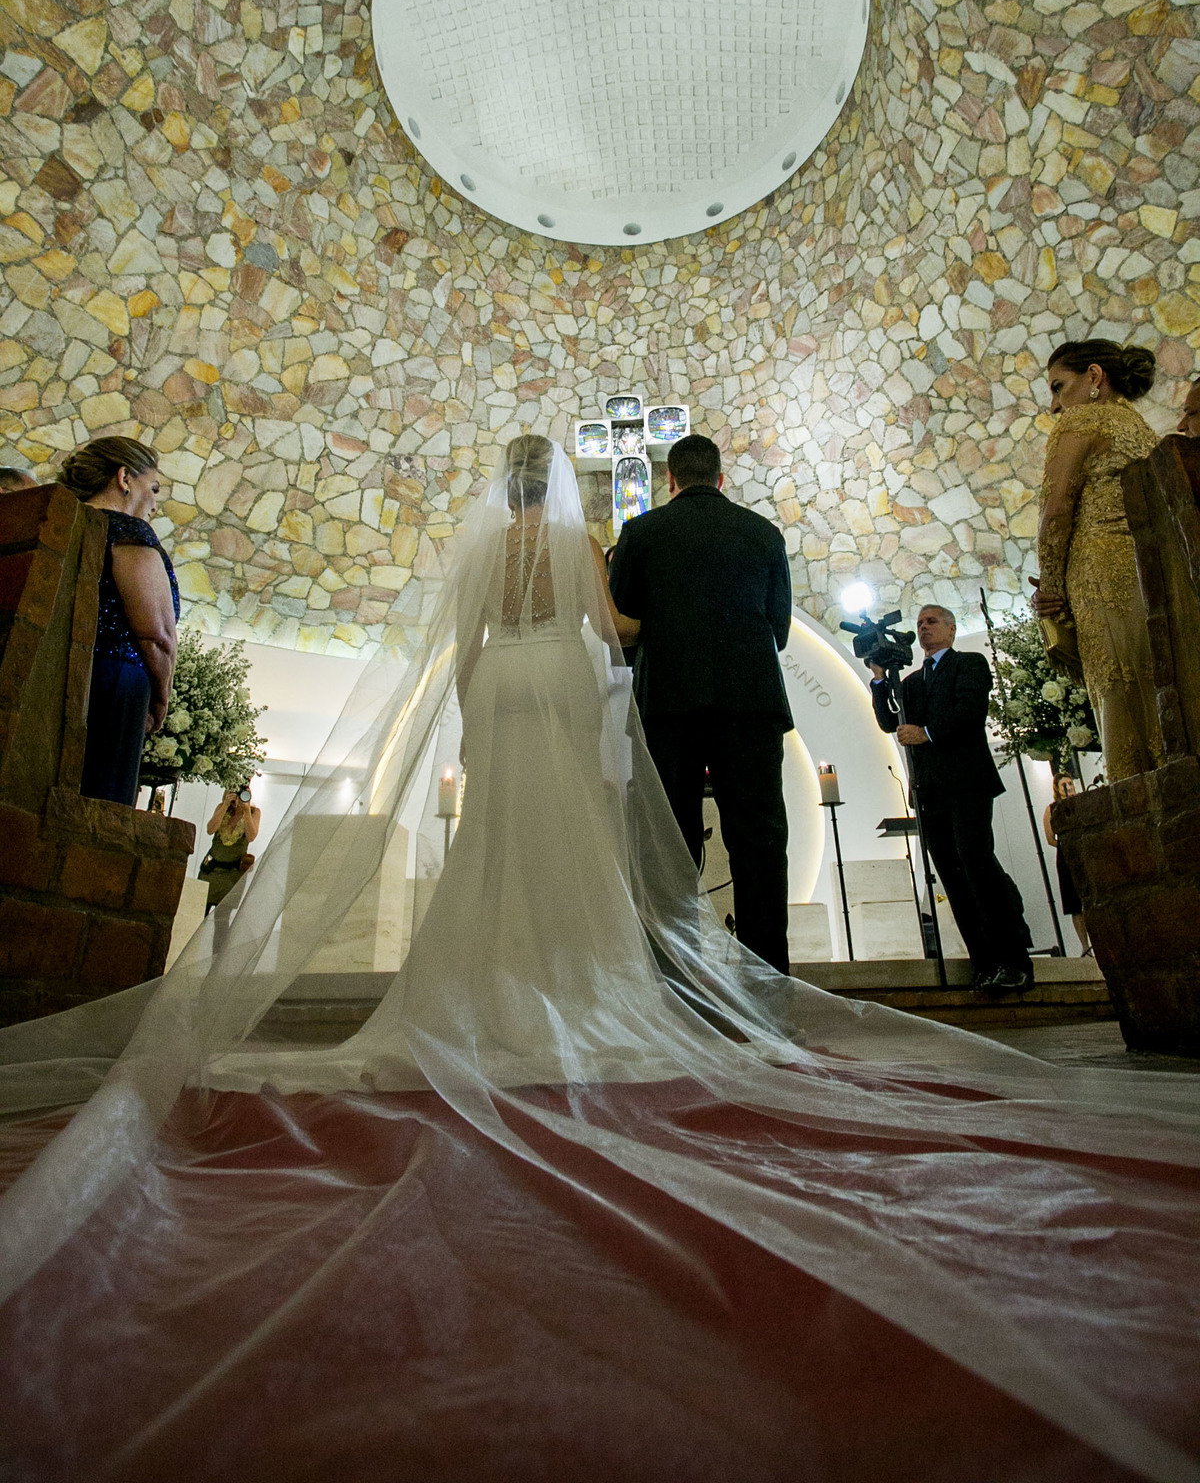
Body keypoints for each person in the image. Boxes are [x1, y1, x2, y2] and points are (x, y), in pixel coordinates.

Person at [2, 437, 1199, 1483]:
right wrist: (633, 633)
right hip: (562, 685)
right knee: (577, 841)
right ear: (559, 486)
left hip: (498, 687)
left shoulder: (485, 554)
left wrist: (483, 693)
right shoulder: (583, 546)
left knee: (497, 845)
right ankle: (585, 974)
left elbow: (467, 644)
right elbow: (609, 628)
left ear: (496, 489)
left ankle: (482, 982)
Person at [608, 433, 794, 974]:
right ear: (720, 477)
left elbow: (625, 610)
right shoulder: (763, 534)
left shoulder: (642, 532)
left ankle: (679, 977)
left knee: (670, 843)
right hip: (751, 701)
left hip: (670, 703)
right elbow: (777, 629)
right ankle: (768, 978)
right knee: (759, 838)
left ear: (670, 479)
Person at [871, 604, 1033, 991]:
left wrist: (927, 732)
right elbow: (890, 722)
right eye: (919, 623)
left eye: (931, 622)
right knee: (953, 878)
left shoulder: (970, 664)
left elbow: (969, 711)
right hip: (931, 790)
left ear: (951, 629)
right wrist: (880, 680)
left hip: (967, 782)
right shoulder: (911, 683)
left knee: (977, 863)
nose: (924, 628)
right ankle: (984, 963)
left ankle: (1014, 961)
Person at [1031, 340, 1160, 783]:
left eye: (1058, 387)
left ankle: (1135, 789)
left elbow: (1057, 510)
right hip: (1148, 572)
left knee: (1119, 693)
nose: (1054, 405)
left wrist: (1049, 589)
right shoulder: (1140, 427)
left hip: (1101, 573)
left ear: (1094, 376)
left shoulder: (1082, 421)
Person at [59, 436, 180, 807]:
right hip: (114, 685)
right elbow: (156, 635)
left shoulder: (66, 525)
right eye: (153, 488)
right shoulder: (128, 533)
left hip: (61, 672)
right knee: (99, 804)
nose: (155, 505)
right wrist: (162, 698)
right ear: (124, 478)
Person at [1042, 772, 1088, 955]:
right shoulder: (1051, 809)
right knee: (1074, 904)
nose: (1068, 787)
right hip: (1066, 856)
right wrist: (1065, 846)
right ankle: (1085, 945)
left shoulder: (1080, 802)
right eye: (1064, 784)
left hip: (1083, 850)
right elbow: (1050, 838)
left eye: (1070, 783)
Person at [201, 787, 262, 914]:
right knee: (199, 911)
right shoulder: (222, 808)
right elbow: (210, 829)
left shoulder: (254, 812)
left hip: (232, 875)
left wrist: (246, 811)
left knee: (222, 919)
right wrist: (225, 805)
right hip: (211, 870)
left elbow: (251, 836)